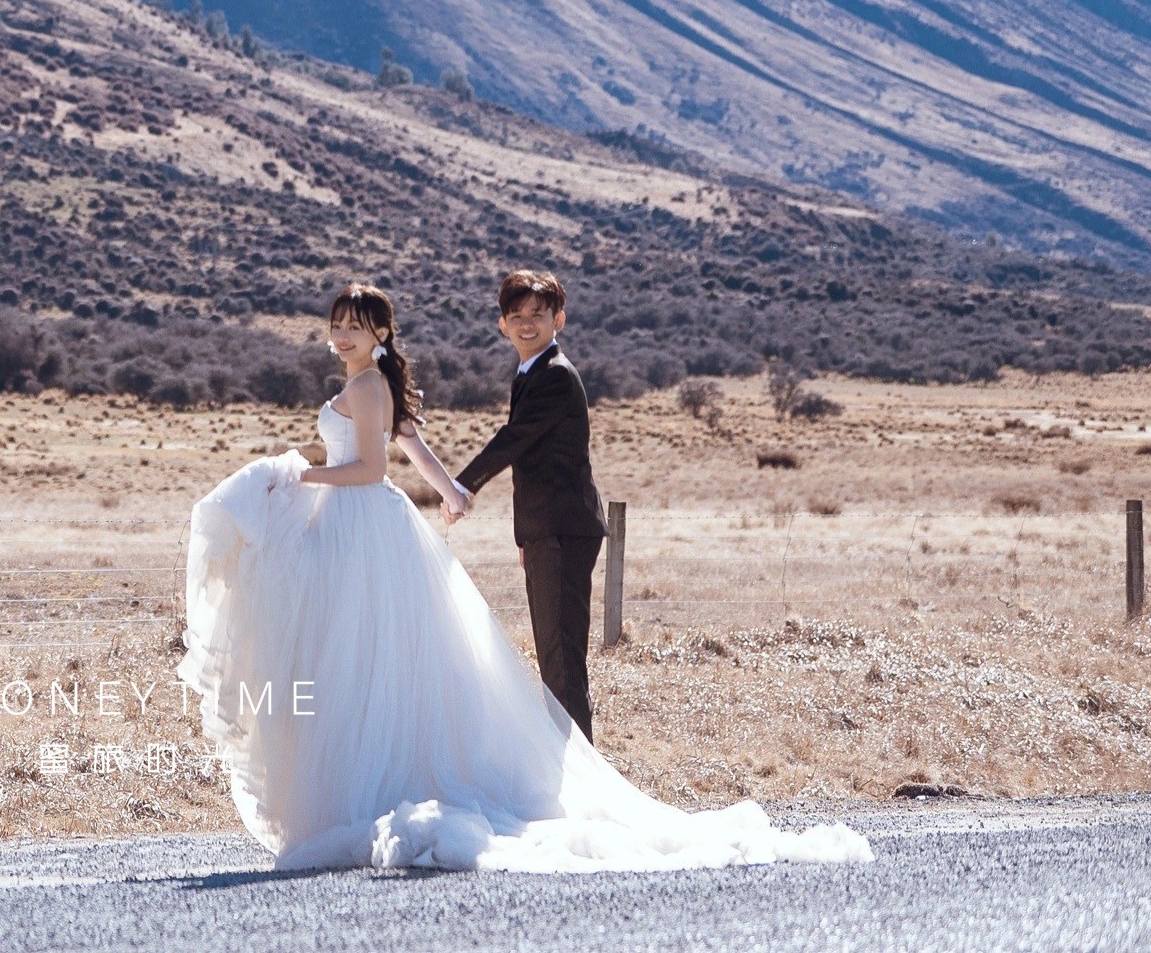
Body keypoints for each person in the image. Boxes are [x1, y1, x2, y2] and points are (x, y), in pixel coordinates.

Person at [174, 283, 868, 873]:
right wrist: (452, 492)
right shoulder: (371, 382)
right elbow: (410, 443)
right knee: (366, 656)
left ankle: (380, 787)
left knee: (367, 655)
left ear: (381, 331)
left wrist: (302, 473)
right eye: (337, 328)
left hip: (361, 519)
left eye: (356, 327)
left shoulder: (367, 383)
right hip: (356, 523)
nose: (343, 337)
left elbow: (374, 467)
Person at [452, 269, 607, 740]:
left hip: (563, 532)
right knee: (554, 659)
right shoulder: (531, 372)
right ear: (502, 324)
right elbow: (536, 462)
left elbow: (514, 441)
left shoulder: (554, 376)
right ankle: (570, 770)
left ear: (558, 318)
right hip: (549, 532)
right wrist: (527, 537)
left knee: (561, 663)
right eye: (515, 315)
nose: (526, 324)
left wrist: (462, 486)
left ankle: (580, 781)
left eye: (537, 315)